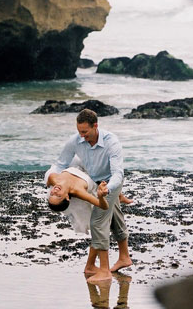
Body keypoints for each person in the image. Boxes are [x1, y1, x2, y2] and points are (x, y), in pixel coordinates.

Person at [49, 109, 132, 283]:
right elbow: (60, 163)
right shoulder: (75, 140)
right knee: (115, 217)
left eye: (85, 132)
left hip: (110, 183)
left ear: (95, 126)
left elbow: (118, 173)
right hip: (94, 180)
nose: (82, 136)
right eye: (79, 131)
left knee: (97, 222)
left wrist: (108, 190)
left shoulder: (111, 142)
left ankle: (104, 271)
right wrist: (56, 178)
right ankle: (124, 257)